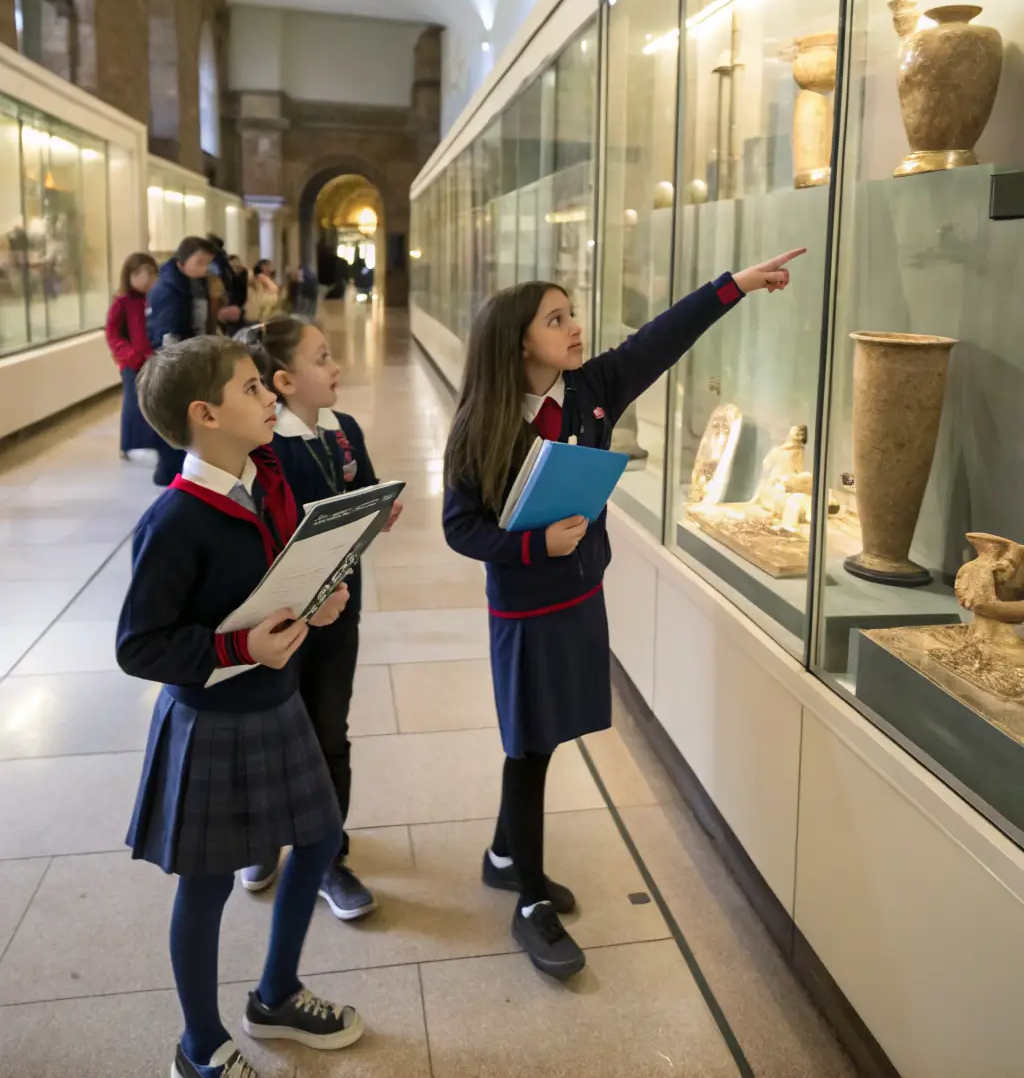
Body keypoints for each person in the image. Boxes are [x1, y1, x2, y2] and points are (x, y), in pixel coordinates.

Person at [442, 249, 804, 980]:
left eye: (571, 313)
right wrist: (533, 542)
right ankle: (529, 898)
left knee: (553, 729)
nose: (575, 327)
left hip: (581, 593)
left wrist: (733, 283)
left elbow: (664, 337)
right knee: (529, 743)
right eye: (557, 318)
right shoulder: (480, 424)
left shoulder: (592, 389)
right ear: (520, 341)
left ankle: (504, 855)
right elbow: (460, 527)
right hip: (523, 607)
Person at [118, 335, 364, 1078]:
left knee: (320, 839)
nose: (269, 399)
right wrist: (239, 649)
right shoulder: (174, 520)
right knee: (209, 881)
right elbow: (141, 645)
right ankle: (199, 1046)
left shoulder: (262, 480)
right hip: (213, 721)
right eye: (254, 388)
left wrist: (316, 605)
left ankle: (276, 993)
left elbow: (274, 580)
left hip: (276, 703)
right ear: (206, 414)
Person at [237, 315, 403, 920]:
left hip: (340, 609)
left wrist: (379, 508)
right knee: (274, 732)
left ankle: (329, 853)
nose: (337, 367)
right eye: (323, 358)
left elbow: (364, 486)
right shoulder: (261, 446)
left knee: (330, 730)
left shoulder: (344, 429)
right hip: (279, 620)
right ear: (282, 381)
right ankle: (262, 838)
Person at [146, 237, 217, 486]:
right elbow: (167, 334)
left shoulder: (194, 283)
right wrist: (174, 368)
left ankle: (181, 472)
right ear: (182, 259)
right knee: (176, 419)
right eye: (199, 262)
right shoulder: (168, 288)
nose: (203, 268)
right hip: (174, 362)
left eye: (207, 263)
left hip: (192, 356)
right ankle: (169, 475)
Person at [105, 251, 158, 459]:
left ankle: (153, 442)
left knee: (153, 401)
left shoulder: (154, 299)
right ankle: (130, 445)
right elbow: (113, 334)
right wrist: (130, 354)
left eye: (151, 273)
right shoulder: (122, 302)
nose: (146, 279)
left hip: (154, 360)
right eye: (140, 273)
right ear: (129, 275)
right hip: (132, 364)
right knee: (133, 403)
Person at [206, 235, 242, 333]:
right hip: (228, 299)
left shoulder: (213, 263)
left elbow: (215, 288)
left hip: (218, 301)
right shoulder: (223, 259)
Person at [246, 259, 280, 324]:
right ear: (261, 267)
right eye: (266, 266)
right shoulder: (261, 277)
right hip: (262, 308)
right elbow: (274, 288)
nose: (269, 268)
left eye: (269, 266)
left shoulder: (265, 278)